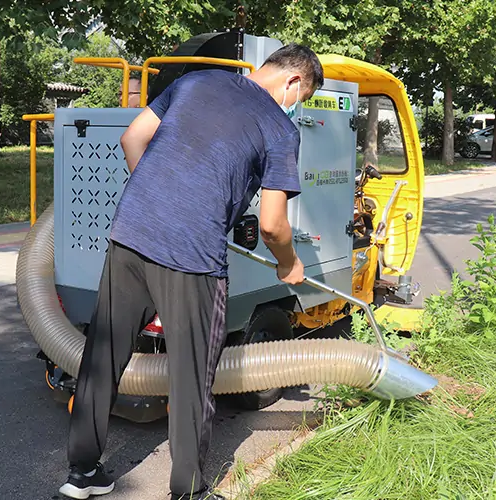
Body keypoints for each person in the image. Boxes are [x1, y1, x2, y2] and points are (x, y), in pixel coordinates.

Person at [58, 44, 325, 500]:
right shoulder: (280, 129)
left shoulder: (197, 81)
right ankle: (188, 492)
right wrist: (289, 263)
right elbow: (272, 224)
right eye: (303, 97)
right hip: (193, 258)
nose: (297, 106)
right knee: (192, 377)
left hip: (130, 234)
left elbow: (132, 139)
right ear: (294, 81)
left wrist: (160, 201)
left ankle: (81, 474)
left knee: (103, 355)